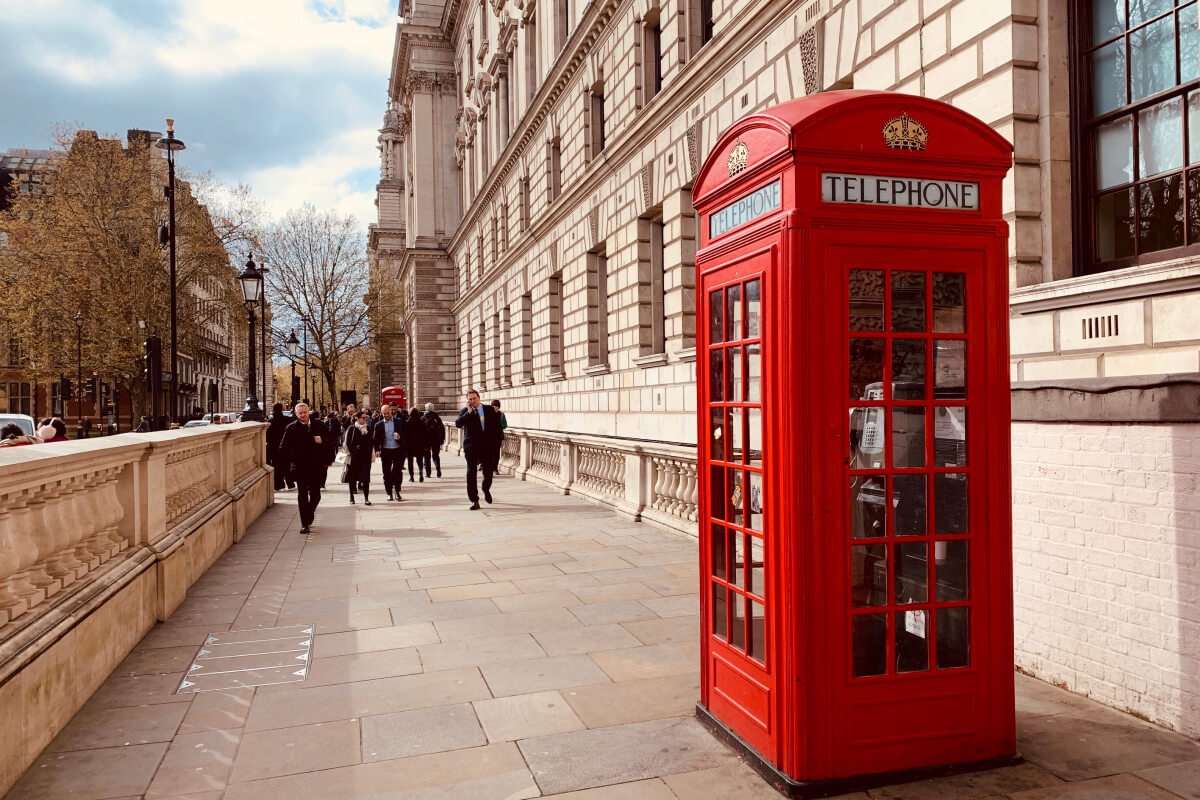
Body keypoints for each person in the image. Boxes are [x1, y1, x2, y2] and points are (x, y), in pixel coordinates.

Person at [278, 403, 334, 534]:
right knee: (302, 495)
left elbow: (330, 441)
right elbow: (282, 448)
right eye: (300, 413)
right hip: (300, 467)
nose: (303, 415)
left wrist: (322, 441)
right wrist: (293, 457)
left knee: (316, 496)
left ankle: (309, 514)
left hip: (316, 466)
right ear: (296, 415)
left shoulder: (319, 425)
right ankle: (304, 524)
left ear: (308, 412)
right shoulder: (291, 428)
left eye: (305, 412)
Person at [454, 389, 501, 510]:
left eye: (474, 398)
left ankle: (486, 489)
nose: (472, 401)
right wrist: (468, 413)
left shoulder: (489, 409)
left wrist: (496, 444)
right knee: (471, 473)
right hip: (471, 447)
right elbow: (458, 424)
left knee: (488, 472)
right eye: (470, 399)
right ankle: (474, 500)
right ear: (467, 401)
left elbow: (497, 428)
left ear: (479, 398)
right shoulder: (465, 411)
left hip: (486, 446)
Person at [372, 402, 405, 501]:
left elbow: (406, 435)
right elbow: (375, 439)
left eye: (387, 413)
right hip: (385, 451)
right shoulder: (379, 425)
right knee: (386, 473)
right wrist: (377, 450)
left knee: (397, 472)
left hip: (397, 450)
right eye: (384, 414)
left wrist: (400, 437)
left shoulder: (399, 422)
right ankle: (389, 493)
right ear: (381, 414)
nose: (386, 415)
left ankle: (397, 492)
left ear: (391, 411)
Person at [343, 410, 375, 505]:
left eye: (366, 418)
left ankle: (366, 498)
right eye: (363, 418)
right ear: (357, 418)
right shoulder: (351, 428)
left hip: (365, 457)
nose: (365, 419)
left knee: (365, 478)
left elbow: (371, 441)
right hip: (354, 458)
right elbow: (348, 443)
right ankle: (351, 497)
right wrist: (354, 453)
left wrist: (369, 451)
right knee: (352, 478)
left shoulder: (368, 428)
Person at [266, 403, 291, 491]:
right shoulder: (287, 420)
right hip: (285, 446)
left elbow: (267, 436)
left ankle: (278, 485)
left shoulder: (270, 422)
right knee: (286, 465)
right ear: (282, 409)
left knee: (275, 465)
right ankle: (289, 483)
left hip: (273, 446)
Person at [404, 407, 428, 483]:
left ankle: (412, 477)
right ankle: (420, 472)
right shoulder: (422, 422)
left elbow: (405, 435)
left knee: (410, 462)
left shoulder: (407, 423)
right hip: (420, 445)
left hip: (410, 445)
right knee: (419, 461)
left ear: (409, 414)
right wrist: (426, 445)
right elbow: (426, 435)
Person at [421, 403, 444, 478]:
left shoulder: (423, 418)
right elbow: (442, 428)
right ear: (433, 408)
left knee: (427, 457)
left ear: (426, 408)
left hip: (426, 441)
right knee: (436, 456)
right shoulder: (437, 417)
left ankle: (428, 473)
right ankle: (438, 470)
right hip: (436, 439)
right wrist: (442, 439)